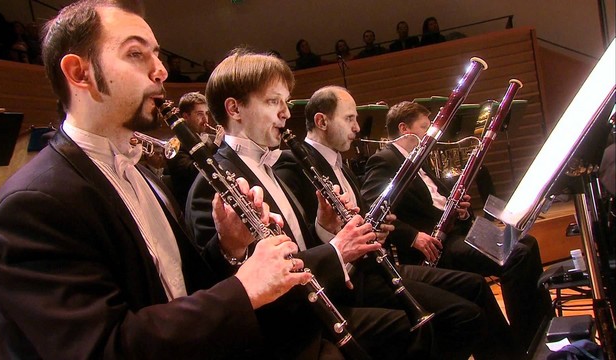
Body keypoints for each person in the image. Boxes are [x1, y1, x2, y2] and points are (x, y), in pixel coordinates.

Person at [0, 1, 312, 358]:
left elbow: (179, 290)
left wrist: (229, 249)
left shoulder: (140, 171)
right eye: (136, 54)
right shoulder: (32, 205)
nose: (160, 71)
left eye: (156, 55)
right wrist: (243, 291)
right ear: (79, 73)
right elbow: (102, 347)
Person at [187, 48, 433, 359]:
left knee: (425, 329)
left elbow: (298, 246)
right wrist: (336, 250)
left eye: (285, 103)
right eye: (273, 101)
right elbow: (230, 286)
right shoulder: (212, 185)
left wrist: (325, 227)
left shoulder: (272, 166)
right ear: (234, 109)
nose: (286, 113)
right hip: (285, 332)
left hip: (318, 305)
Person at [274, 85, 520, 360]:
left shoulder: (339, 162)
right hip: (349, 278)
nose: (357, 128)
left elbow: (362, 217)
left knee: (475, 286)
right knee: (463, 316)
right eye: (349, 119)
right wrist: (336, 232)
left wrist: (378, 228)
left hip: (373, 264)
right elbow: (307, 237)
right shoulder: (294, 166)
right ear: (322, 122)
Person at [361, 101, 553, 354]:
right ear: (404, 128)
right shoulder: (384, 160)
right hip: (434, 245)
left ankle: (542, 330)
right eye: (424, 127)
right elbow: (372, 207)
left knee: (527, 243)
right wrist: (412, 236)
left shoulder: (419, 157)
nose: (431, 133)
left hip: (454, 232)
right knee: (516, 255)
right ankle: (527, 340)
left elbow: (438, 199)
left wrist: (460, 210)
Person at [166, 91, 224, 207]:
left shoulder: (211, 139)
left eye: (206, 113)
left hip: (213, 200)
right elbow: (193, 173)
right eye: (199, 114)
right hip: (193, 205)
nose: (205, 119)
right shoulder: (175, 144)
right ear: (185, 117)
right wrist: (216, 145)